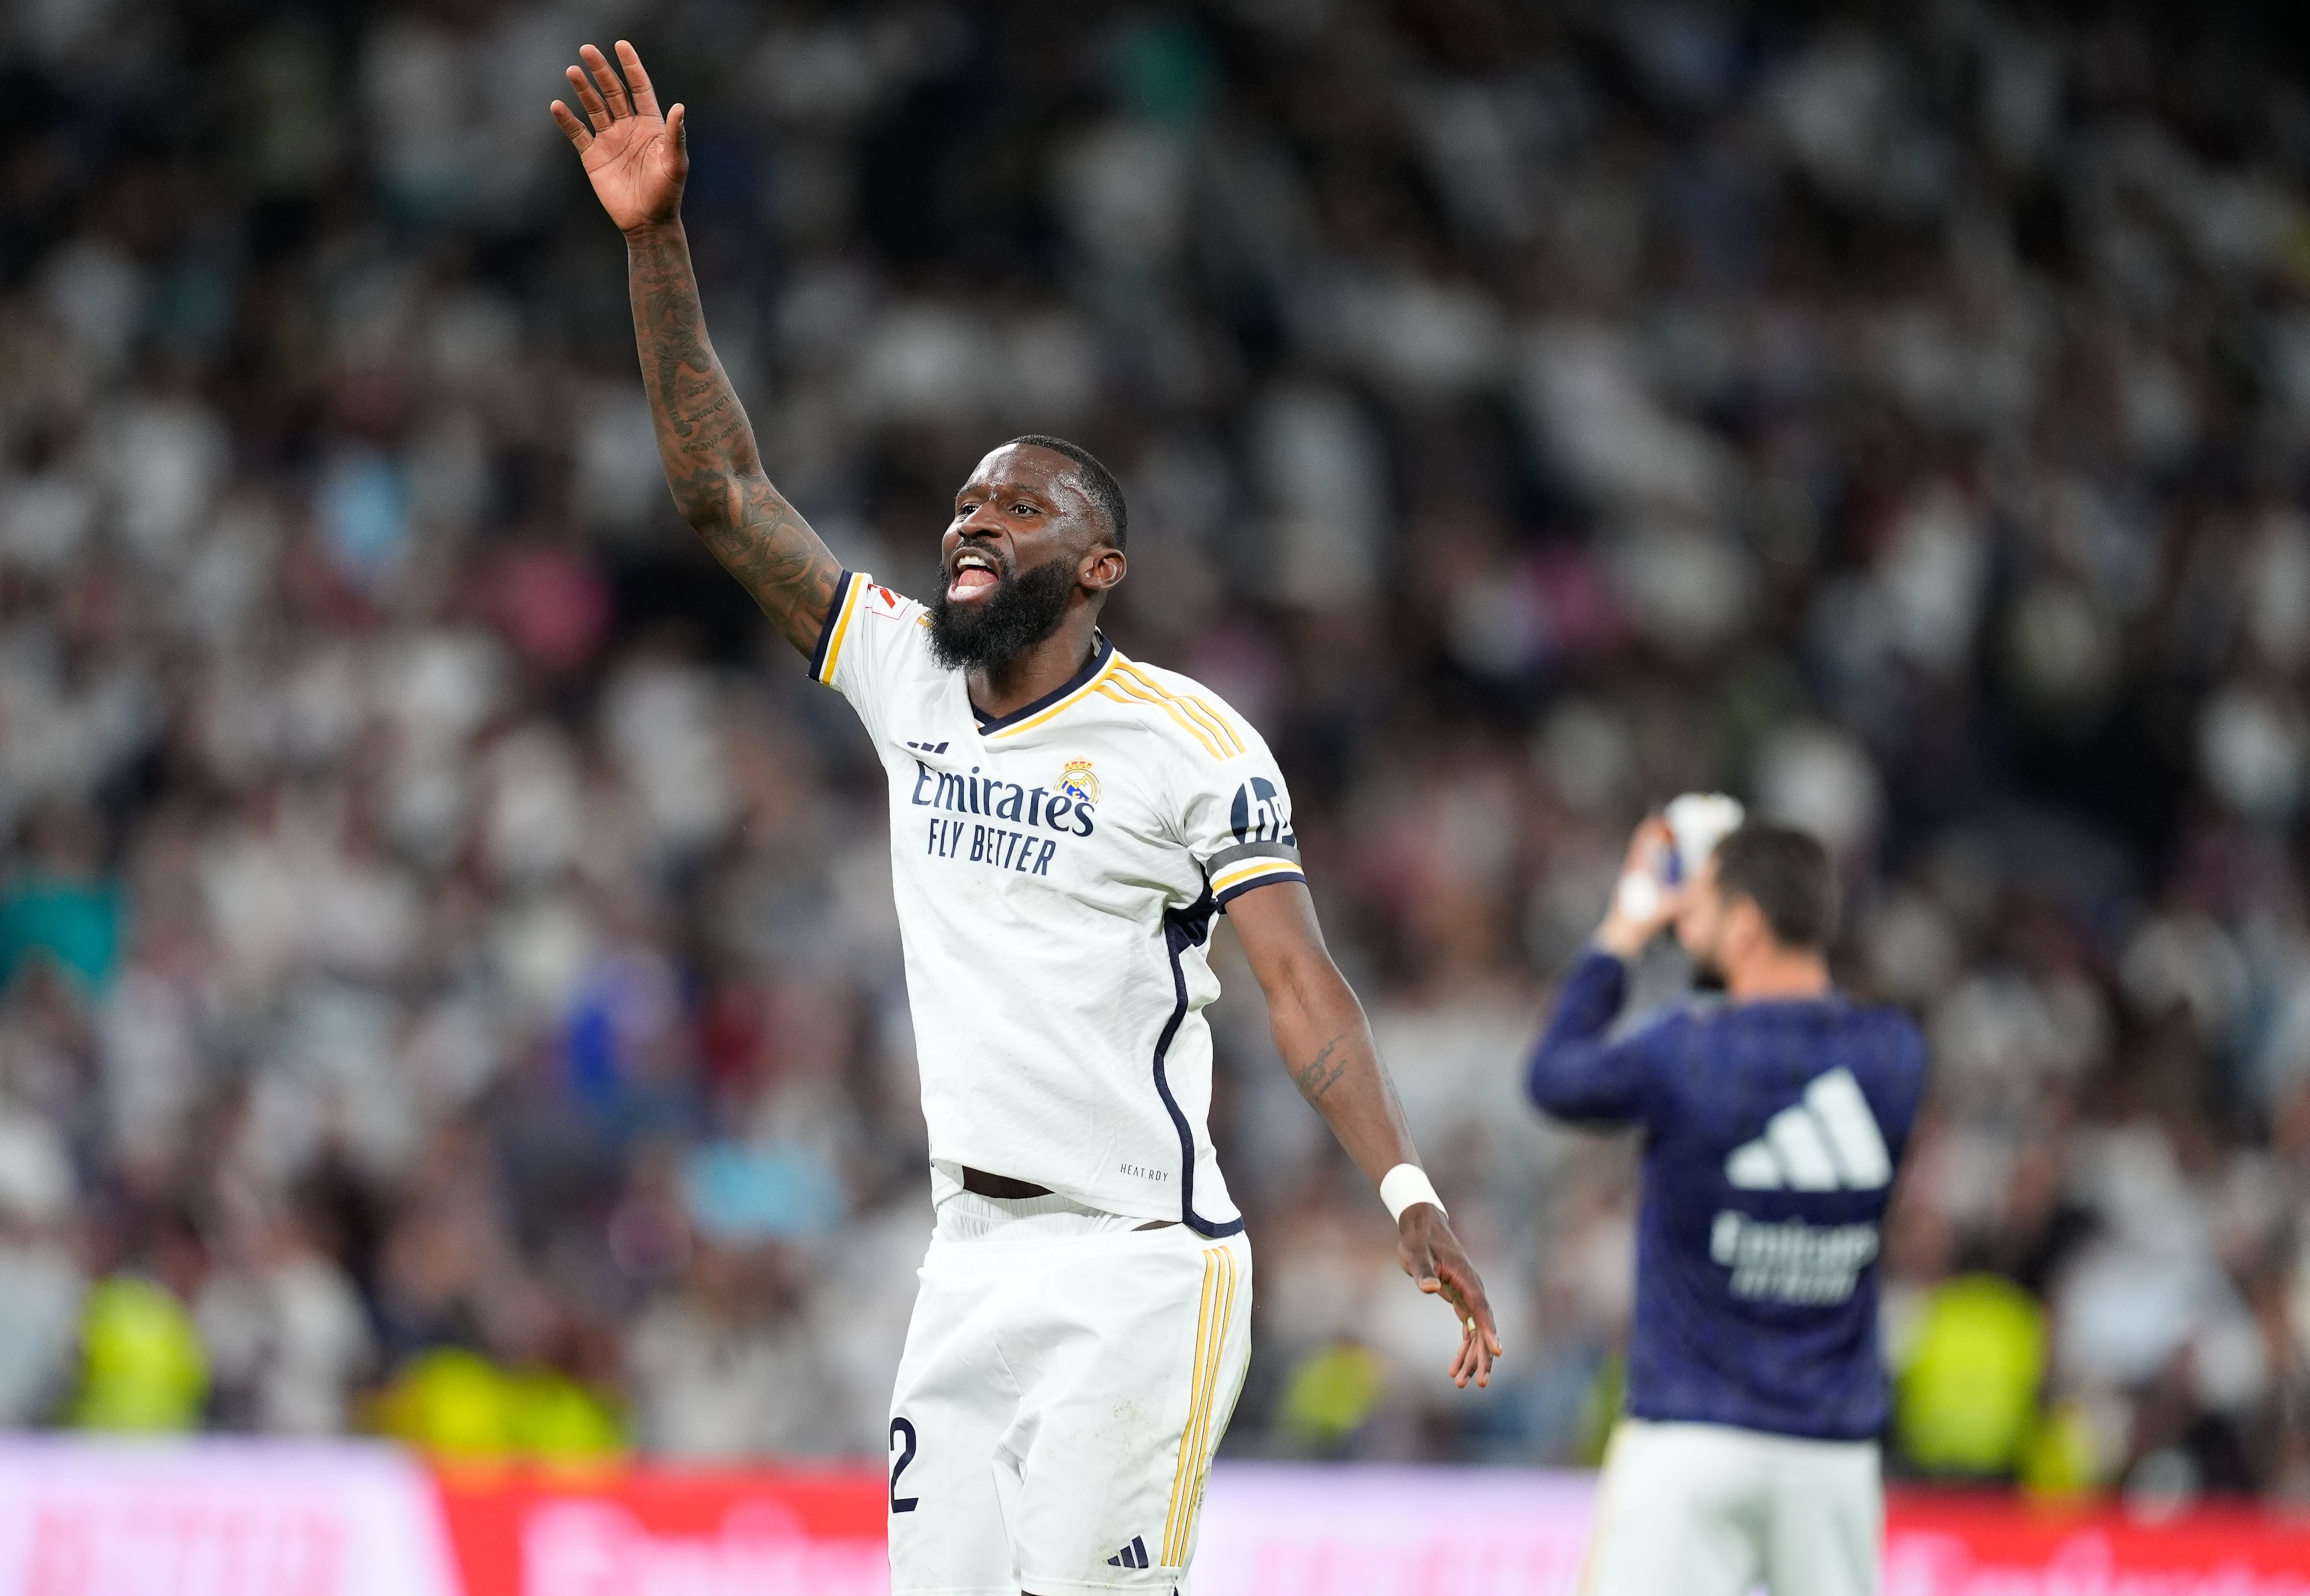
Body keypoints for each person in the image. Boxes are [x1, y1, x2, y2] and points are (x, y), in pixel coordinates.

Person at [549, 42, 1499, 1594]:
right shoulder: (911, 671)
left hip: (1137, 1268)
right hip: (967, 1259)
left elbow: (1297, 985)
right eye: (968, 501)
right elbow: (725, 496)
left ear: (1101, 567)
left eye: (1019, 505)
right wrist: (656, 242)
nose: (972, 518)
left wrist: (1403, 1186)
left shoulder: (1192, 744)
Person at [1528, 817, 1924, 1596]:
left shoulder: (1687, 1051)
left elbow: (1555, 1077)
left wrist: (1623, 929)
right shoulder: (1896, 1052)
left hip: (1691, 1436)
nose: (1686, 921)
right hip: (1833, 1453)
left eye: (1701, 905)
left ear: (1745, 925)